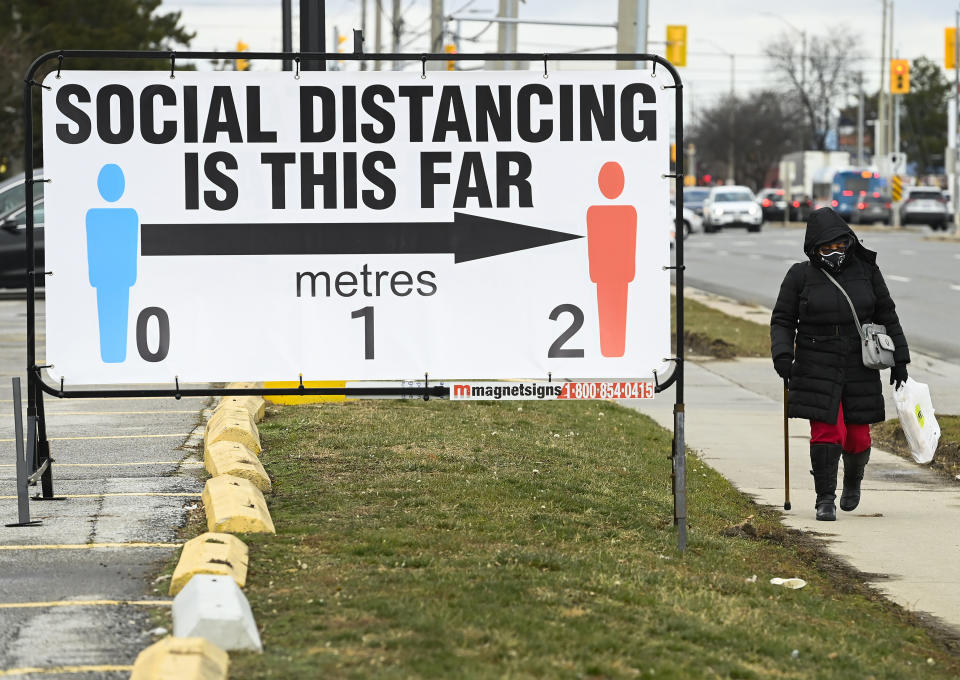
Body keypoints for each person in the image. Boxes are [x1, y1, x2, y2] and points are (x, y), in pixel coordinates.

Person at [770, 207, 910, 521]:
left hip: (859, 362)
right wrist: (782, 355)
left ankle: (853, 481)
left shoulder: (866, 271)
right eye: (826, 248)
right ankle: (824, 499)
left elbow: (886, 314)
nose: (834, 252)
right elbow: (782, 320)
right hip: (815, 360)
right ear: (813, 249)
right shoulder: (799, 275)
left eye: (839, 246)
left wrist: (900, 360)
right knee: (826, 431)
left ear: (848, 242)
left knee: (858, 435)